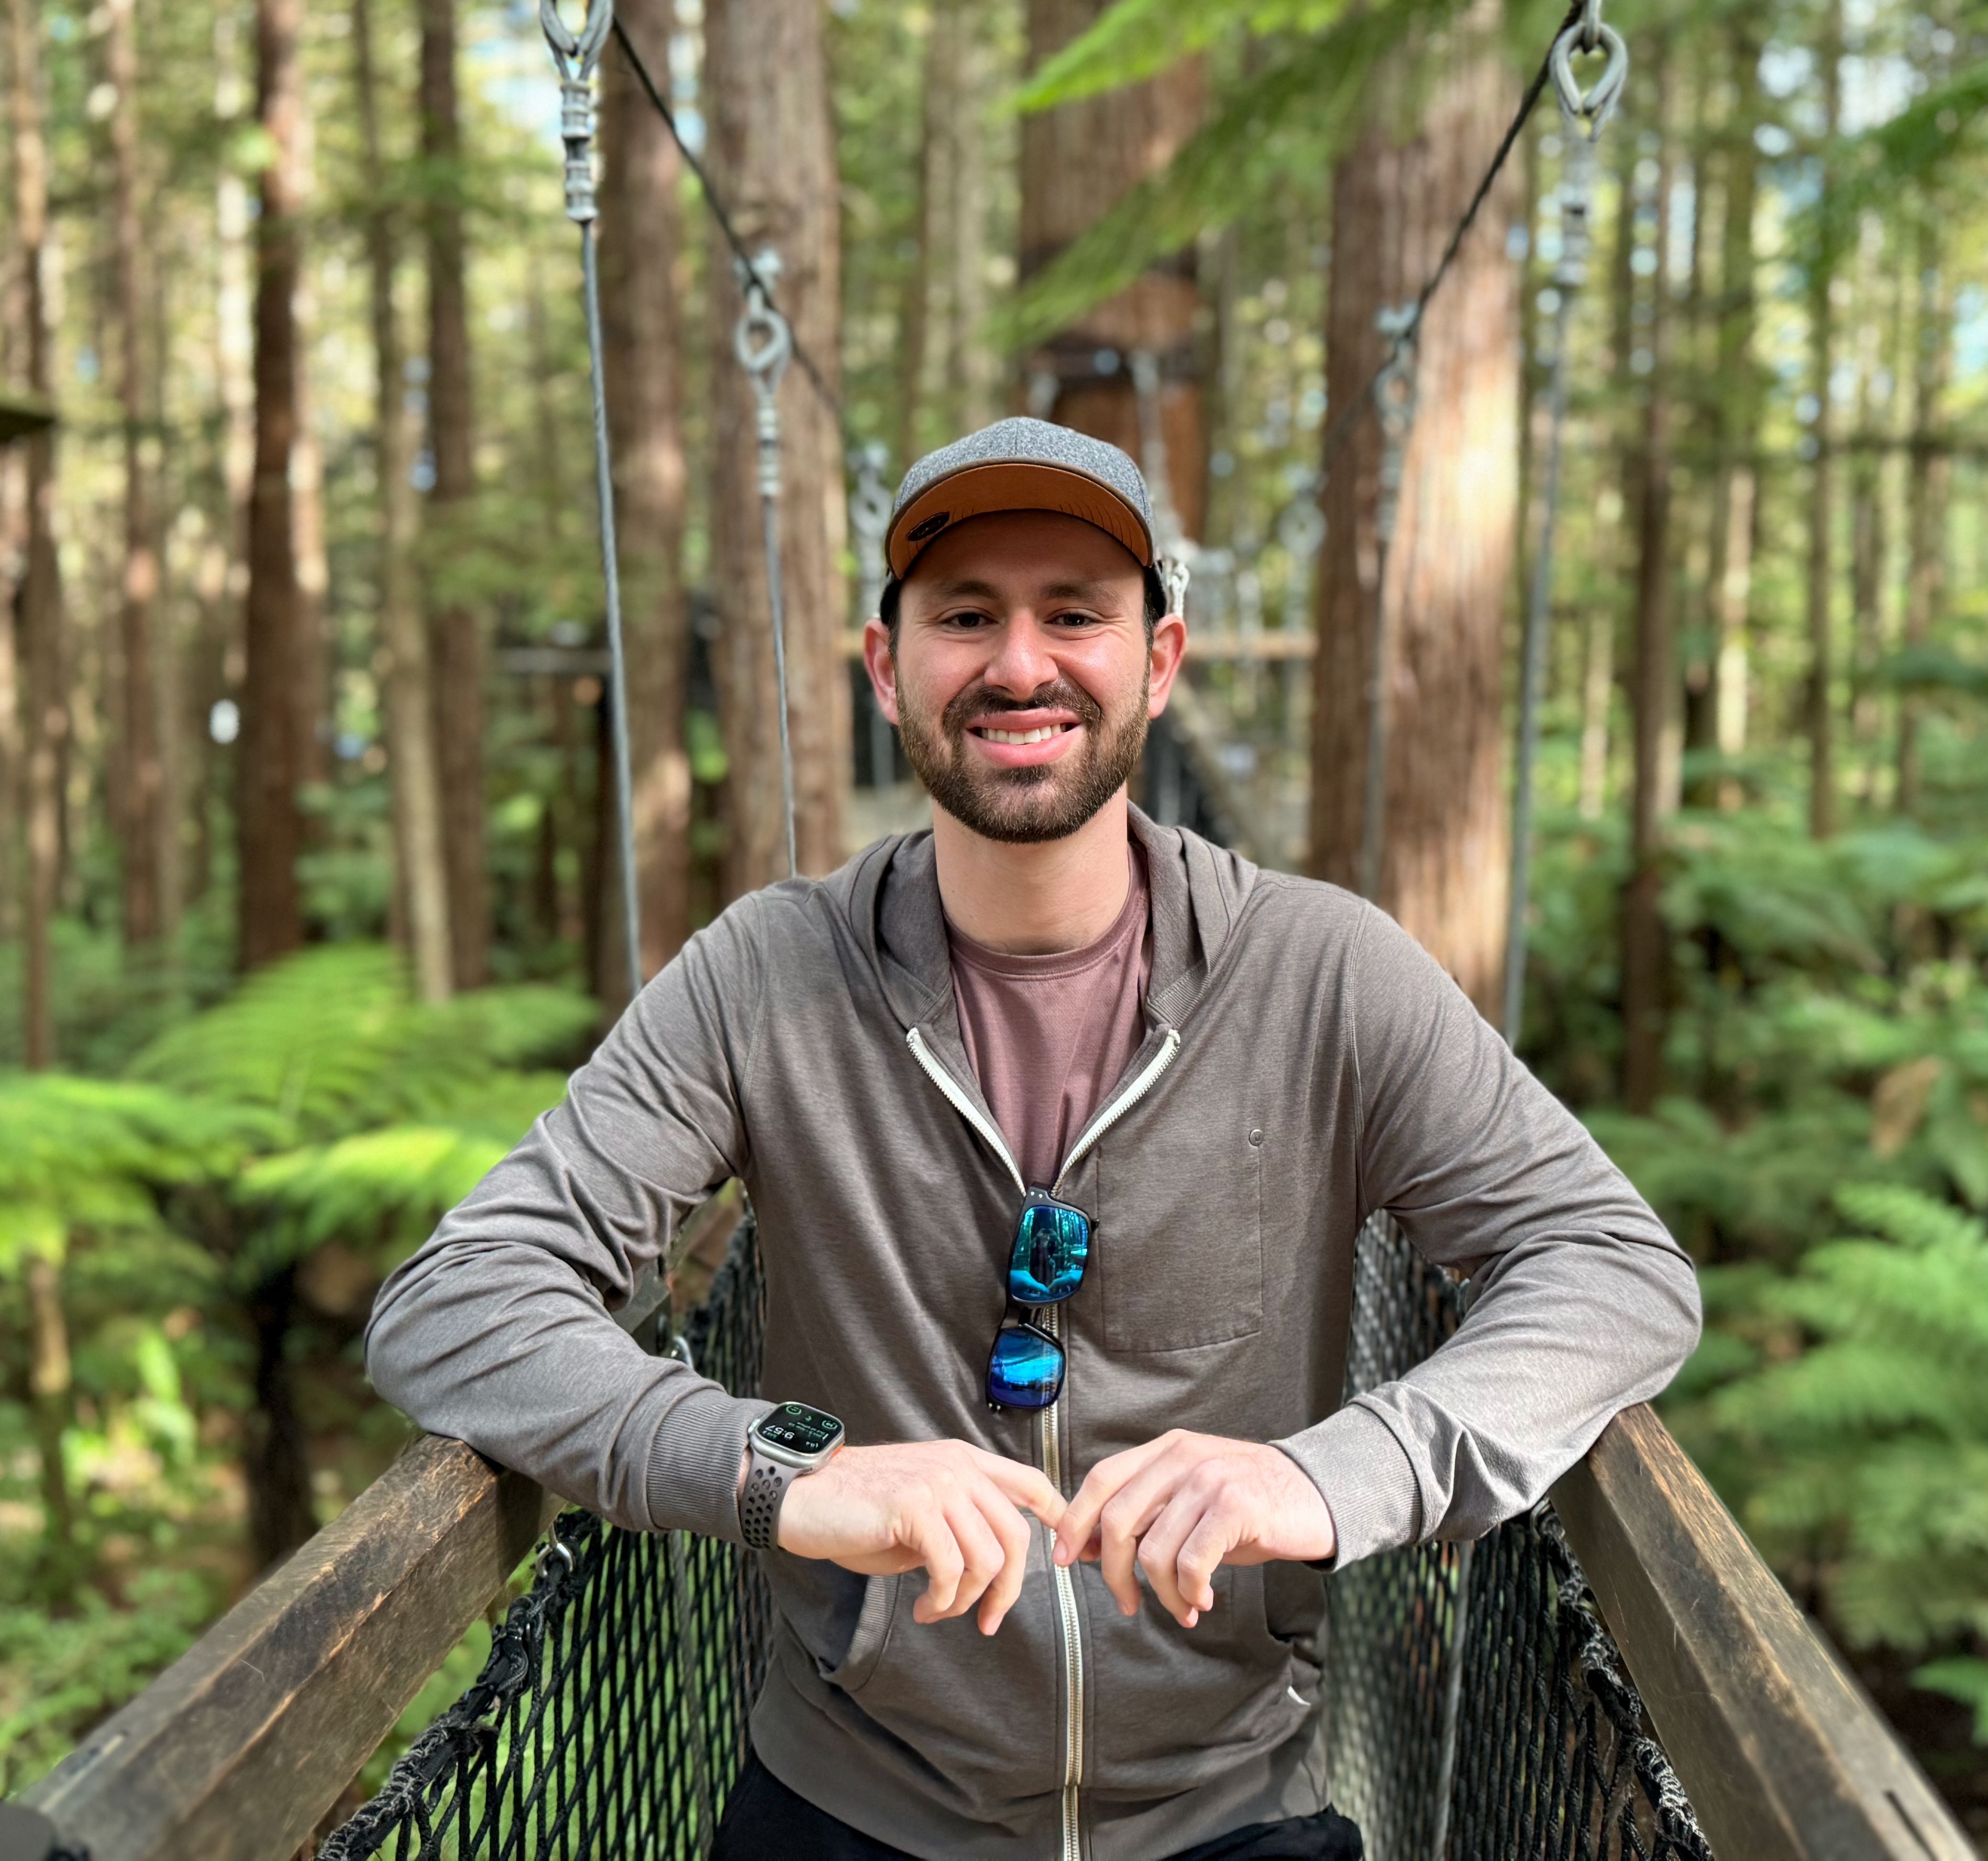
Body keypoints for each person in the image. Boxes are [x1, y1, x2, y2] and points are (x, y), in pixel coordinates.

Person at [364, 417, 1700, 1861]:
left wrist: (1333, 1472)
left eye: (1074, 613)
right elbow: (456, 1307)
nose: (1017, 663)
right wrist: (784, 1470)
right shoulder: (764, 976)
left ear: (1159, 663)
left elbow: (1615, 1271)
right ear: (887, 671)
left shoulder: (1323, 974)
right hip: (847, 1802)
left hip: (1231, 1812)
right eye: (963, 617)